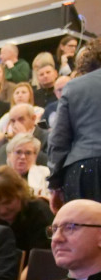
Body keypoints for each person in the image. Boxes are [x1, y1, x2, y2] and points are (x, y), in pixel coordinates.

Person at [49, 38, 101, 209]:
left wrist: (55, 185)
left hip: (83, 171)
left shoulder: (74, 86)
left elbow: (58, 140)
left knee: (85, 232)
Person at [0, 165, 54, 252]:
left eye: (8, 202)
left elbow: (42, 257)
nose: (3, 210)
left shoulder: (40, 213)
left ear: (21, 194)